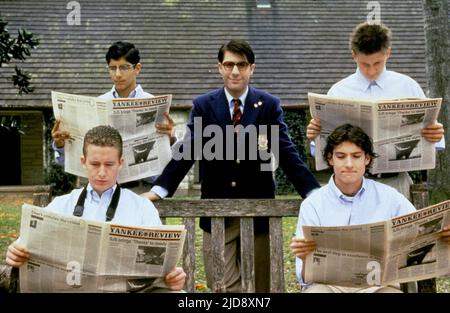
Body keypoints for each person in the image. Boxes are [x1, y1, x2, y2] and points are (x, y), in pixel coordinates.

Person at [142, 39, 321, 292]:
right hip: (217, 210)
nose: (235, 71)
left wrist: (314, 192)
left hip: (260, 211)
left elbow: (286, 151)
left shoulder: (268, 104)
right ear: (220, 68)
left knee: (261, 287)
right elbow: (188, 149)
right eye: (229, 65)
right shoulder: (204, 105)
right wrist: (160, 189)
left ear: (252, 69)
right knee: (222, 286)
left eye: (242, 65)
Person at [6, 125, 186, 292]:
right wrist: (15, 252)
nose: (101, 172)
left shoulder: (142, 208)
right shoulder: (61, 205)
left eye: (109, 165)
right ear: (83, 162)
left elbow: (163, 266)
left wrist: (173, 277)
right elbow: (23, 246)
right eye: (94, 164)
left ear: (121, 163)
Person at [291, 124, 450, 293]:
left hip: (378, 285)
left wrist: (444, 238)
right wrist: (304, 258)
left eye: (356, 156)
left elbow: (421, 234)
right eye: (341, 156)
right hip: (329, 285)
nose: (349, 163)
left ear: (367, 159)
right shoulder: (313, 204)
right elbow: (303, 276)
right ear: (330, 159)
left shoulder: (390, 197)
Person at [306, 22, 445, 199]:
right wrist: (316, 135)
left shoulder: (408, 86)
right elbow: (319, 150)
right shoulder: (338, 92)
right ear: (354, 55)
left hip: (397, 184)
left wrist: (436, 135)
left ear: (388, 53)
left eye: (377, 63)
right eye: (365, 64)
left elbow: (436, 143)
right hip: (351, 186)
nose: (371, 71)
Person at [51, 41, 176, 172]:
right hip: (105, 185)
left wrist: (171, 139)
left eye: (124, 67)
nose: (117, 74)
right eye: (112, 68)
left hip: (146, 187)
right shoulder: (98, 104)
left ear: (137, 68)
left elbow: (171, 165)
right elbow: (67, 163)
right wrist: (60, 145)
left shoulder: (156, 105)